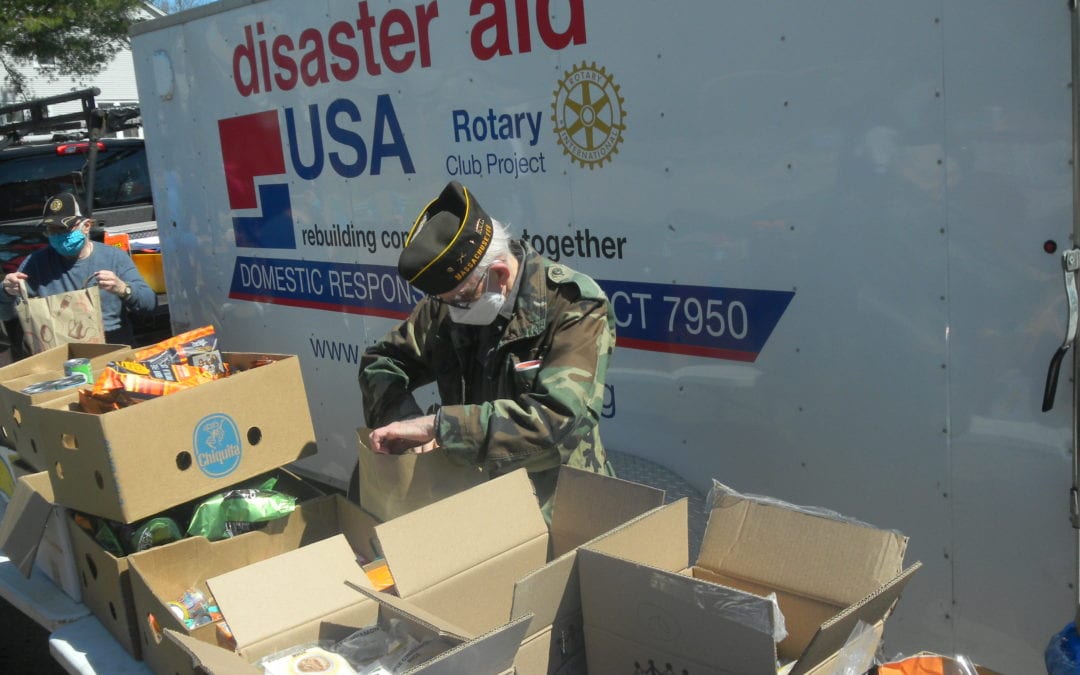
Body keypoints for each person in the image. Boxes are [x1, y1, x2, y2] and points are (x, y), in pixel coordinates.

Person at [358, 181, 616, 521]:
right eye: (446, 303)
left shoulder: (573, 305)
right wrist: (405, 419)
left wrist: (440, 427)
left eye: (463, 300)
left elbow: (557, 421)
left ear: (499, 273)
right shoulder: (449, 303)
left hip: (558, 503)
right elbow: (383, 362)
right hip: (471, 494)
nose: (454, 313)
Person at [0, 193, 157, 356]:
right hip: (60, 356)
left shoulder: (114, 257)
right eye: (52, 230)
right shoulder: (35, 263)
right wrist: (6, 291)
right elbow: (7, 315)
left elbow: (149, 304)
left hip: (112, 351)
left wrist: (123, 289)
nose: (58, 235)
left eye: (65, 228)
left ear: (86, 226)